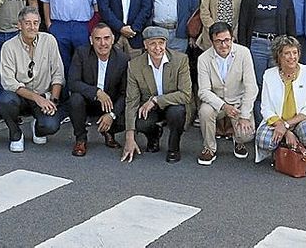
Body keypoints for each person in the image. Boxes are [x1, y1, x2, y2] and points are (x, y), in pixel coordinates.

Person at [0, 6, 66, 152]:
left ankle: (37, 127)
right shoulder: (8, 47)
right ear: (19, 25)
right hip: (20, 96)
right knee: (5, 100)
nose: (32, 27)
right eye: (27, 23)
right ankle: (15, 133)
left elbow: (58, 74)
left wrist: (53, 101)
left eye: (35, 23)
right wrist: (35, 98)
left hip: (44, 96)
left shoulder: (49, 41)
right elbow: (8, 82)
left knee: (51, 126)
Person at [121, 26, 192, 163]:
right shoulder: (134, 65)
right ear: (145, 45)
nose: (157, 48)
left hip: (172, 104)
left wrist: (155, 100)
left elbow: (186, 94)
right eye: (153, 43)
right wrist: (129, 138)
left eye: (161, 43)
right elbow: (131, 101)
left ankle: (173, 147)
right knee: (140, 121)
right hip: (149, 108)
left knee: (178, 112)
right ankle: (153, 136)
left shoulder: (180, 60)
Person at [255, 35, 306, 163]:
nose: (292, 57)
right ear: (279, 55)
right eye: (287, 53)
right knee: (263, 139)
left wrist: (287, 125)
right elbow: (266, 109)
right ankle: (282, 148)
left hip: (301, 121)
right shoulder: (269, 74)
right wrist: (284, 129)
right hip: (277, 122)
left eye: (295, 53)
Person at [196, 22, 258, 165]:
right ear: (212, 42)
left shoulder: (244, 53)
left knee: (246, 135)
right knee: (205, 111)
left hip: (238, 102)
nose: (223, 45)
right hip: (216, 102)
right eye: (218, 41)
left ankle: (238, 141)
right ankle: (209, 148)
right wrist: (223, 106)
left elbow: (251, 87)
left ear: (232, 38)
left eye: (227, 40)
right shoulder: (203, 59)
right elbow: (204, 91)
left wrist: (244, 115)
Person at [237, 0, 297, 102]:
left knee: (278, 83)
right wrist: (244, 50)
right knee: (257, 84)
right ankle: (259, 120)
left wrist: (290, 48)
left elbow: (291, 26)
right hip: (256, 45)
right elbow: (243, 25)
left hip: (279, 46)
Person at [67, 23, 129, 156]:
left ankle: (109, 132)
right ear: (91, 40)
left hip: (110, 104)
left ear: (113, 39)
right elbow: (72, 82)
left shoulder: (122, 59)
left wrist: (112, 115)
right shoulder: (81, 53)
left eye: (106, 38)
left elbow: (125, 93)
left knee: (129, 112)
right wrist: (96, 92)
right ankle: (81, 139)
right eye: (98, 39)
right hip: (88, 101)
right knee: (75, 99)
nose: (102, 43)